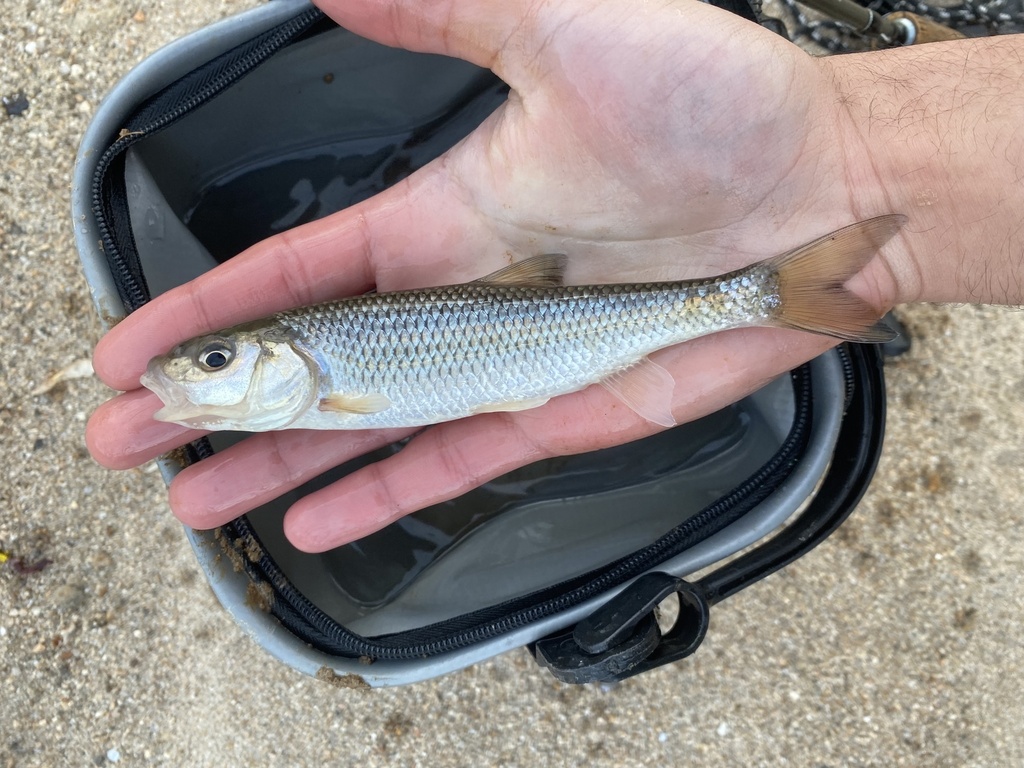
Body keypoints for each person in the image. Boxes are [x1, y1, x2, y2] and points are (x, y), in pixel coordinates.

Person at [86, 0, 1024, 553]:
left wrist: (852, 149)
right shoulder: (316, 389)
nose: (193, 377)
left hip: (573, 327)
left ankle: (792, 288)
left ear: (275, 357)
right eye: (213, 365)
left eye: (213, 362)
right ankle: (808, 285)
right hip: (560, 332)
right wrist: (866, 150)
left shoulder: (326, 387)